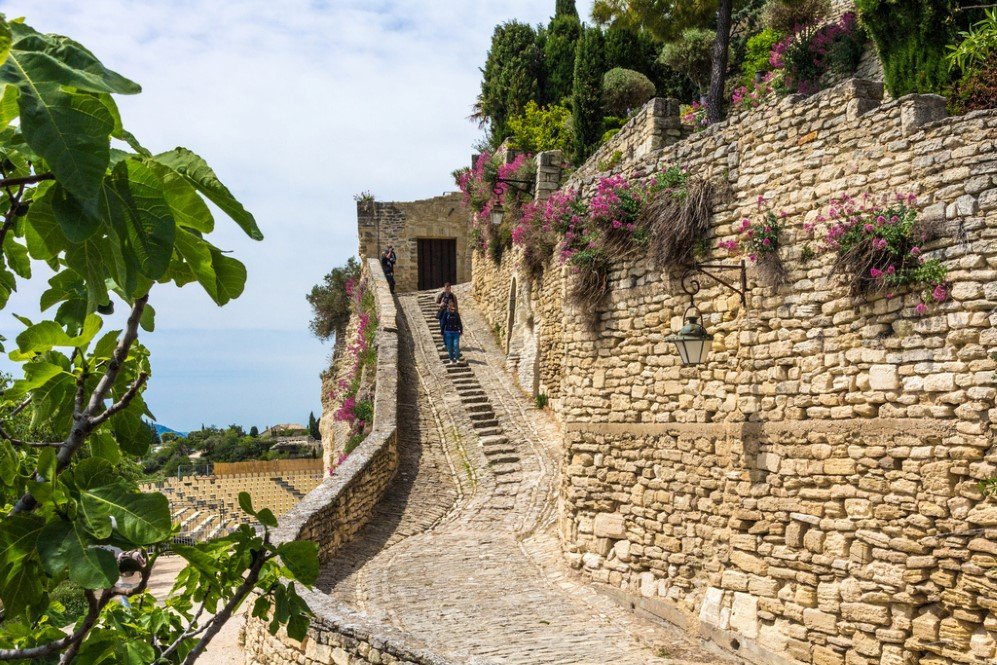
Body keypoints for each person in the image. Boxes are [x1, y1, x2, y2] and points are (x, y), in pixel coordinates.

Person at [440, 300, 463, 365]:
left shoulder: (456, 314)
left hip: (456, 332)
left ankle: (457, 359)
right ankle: (451, 359)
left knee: (456, 345)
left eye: (453, 308)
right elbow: (443, 323)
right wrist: (442, 332)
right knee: (450, 347)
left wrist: (461, 330)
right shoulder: (446, 314)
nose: (453, 309)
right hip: (448, 333)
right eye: (451, 308)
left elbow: (459, 322)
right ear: (449, 308)